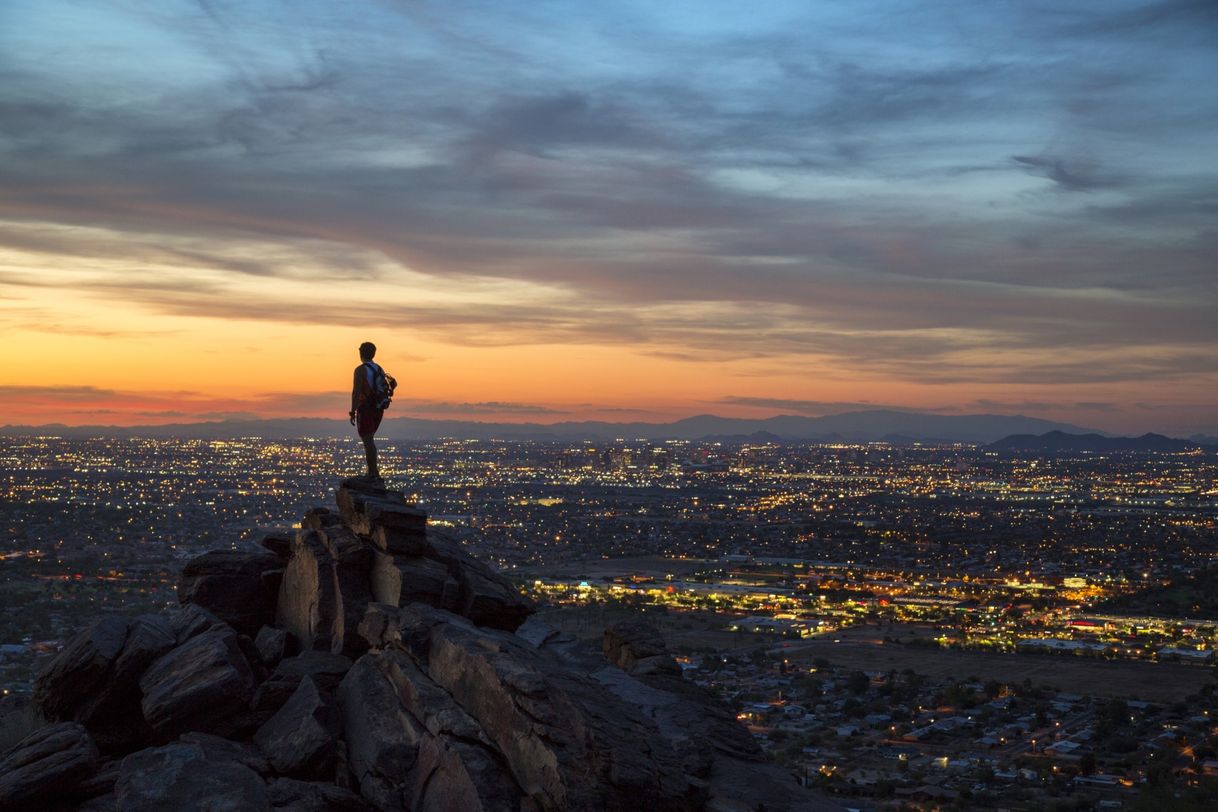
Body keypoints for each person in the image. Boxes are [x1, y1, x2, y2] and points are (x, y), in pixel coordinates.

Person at [349, 341, 395, 482]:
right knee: (370, 439)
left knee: (368, 441)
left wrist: (353, 411)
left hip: (366, 408)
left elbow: (356, 392)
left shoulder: (360, 370)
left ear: (360, 352)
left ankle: (373, 473)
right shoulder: (379, 369)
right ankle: (372, 471)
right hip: (378, 408)